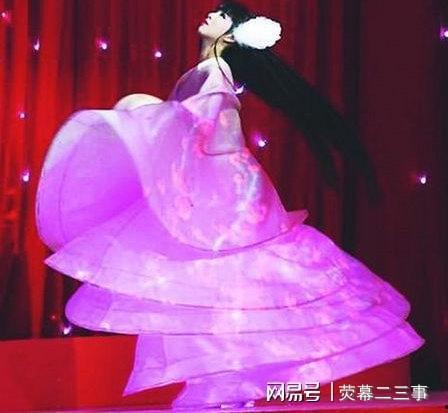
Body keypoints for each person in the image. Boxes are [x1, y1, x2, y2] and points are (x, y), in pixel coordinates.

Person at [35, 0, 425, 409]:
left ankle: (225, 379)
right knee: (218, 281)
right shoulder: (208, 70)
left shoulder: (215, 70)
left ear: (231, 33)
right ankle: (223, 380)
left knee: (217, 274)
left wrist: (143, 112)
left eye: (221, 14)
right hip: (217, 178)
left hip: (226, 185)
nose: (211, 15)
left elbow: (204, 127)